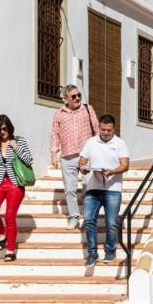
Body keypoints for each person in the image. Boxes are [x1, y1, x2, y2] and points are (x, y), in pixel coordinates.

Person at [0, 114, 33, 262]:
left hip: (15, 184)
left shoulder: (20, 141)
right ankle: (2, 233)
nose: (2, 132)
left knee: (9, 216)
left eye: (4, 128)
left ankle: (10, 250)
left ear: (9, 126)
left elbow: (29, 160)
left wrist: (15, 147)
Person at [78, 114, 129, 266]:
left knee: (112, 222)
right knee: (88, 219)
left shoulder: (120, 143)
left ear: (114, 129)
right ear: (99, 128)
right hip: (93, 187)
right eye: (103, 129)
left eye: (109, 130)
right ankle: (92, 253)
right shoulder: (91, 142)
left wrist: (113, 171)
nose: (105, 133)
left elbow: (125, 164)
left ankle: (110, 251)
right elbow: (82, 160)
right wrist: (84, 167)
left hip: (113, 188)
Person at [50, 84, 99, 229]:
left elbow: (96, 129)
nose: (77, 98)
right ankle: (73, 217)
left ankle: (88, 215)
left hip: (86, 155)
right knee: (70, 189)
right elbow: (54, 134)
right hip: (67, 156)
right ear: (66, 98)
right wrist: (53, 153)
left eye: (79, 95)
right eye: (73, 96)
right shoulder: (59, 114)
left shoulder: (88, 109)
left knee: (88, 186)